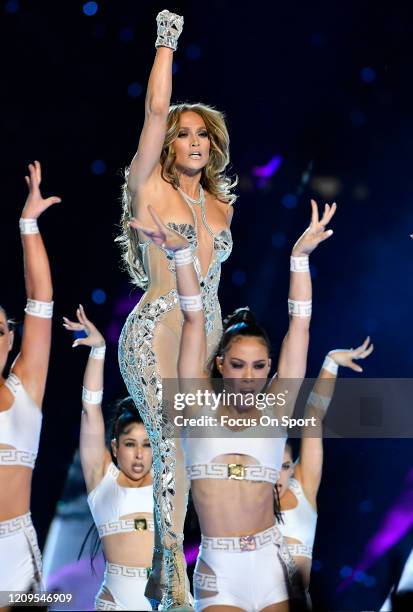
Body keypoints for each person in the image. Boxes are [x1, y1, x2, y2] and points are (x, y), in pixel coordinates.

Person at [133, 199, 336, 610]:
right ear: (221, 364)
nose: (249, 376)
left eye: (260, 366)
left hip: (272, 565)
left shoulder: (278, 408)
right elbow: (193, 318)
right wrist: (182, 255)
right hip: (219, 569)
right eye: (239, 364)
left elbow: (300, 324)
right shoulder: (196, 403)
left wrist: (298, 258)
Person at [116, 9, 236, 608]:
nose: (193, 141)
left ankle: (187, 568)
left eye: (202, 135)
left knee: (200, 455)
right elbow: (154, 109)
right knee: (169, 448)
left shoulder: (221, 208)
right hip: (156, 328)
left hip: (208, 333)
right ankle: (173, 585)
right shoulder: (150, 187)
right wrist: (168, 40)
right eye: (184, 133)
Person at [63, 306, 154, 610]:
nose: (140, 454)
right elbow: (91, 411)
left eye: (147, 444)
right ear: (115, 448)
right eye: (130, 444)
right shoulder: (102, 481)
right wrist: (99, 351)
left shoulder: (168, 483)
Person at [0, 161, 60, 608]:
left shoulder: (26, 389)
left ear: (11, 339)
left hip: (16, 550)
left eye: (0, 329)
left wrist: (28, 224)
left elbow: (41, 301)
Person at [277, 338, 374, 607]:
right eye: (269, 467)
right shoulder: (242, 493)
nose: (277, 476)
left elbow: (313, 416)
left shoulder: (302, 485)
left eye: (285, 466)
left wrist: (331, 362)